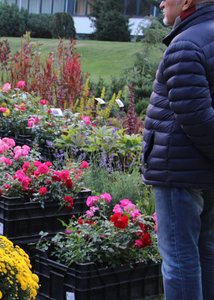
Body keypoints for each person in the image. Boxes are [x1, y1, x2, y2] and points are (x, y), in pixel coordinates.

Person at [142, 0, 214, 299]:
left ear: (186, 2)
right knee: (207, 251)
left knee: (179, 260)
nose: (160, 2)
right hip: (204, 171)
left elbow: (196, 118)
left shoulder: (186, 44)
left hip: (180, 172)